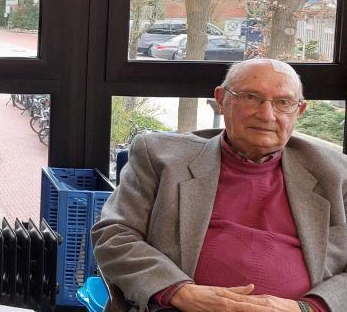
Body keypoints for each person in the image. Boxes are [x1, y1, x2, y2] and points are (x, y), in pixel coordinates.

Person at [92, 58, 346, 312]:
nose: (267, 115)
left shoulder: (335, 173)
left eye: (283, 103)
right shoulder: (160, 156)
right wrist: (179, 292)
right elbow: (114, 235)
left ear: (299, 110)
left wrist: (308, 308)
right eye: (251, 97)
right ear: (222, 99)